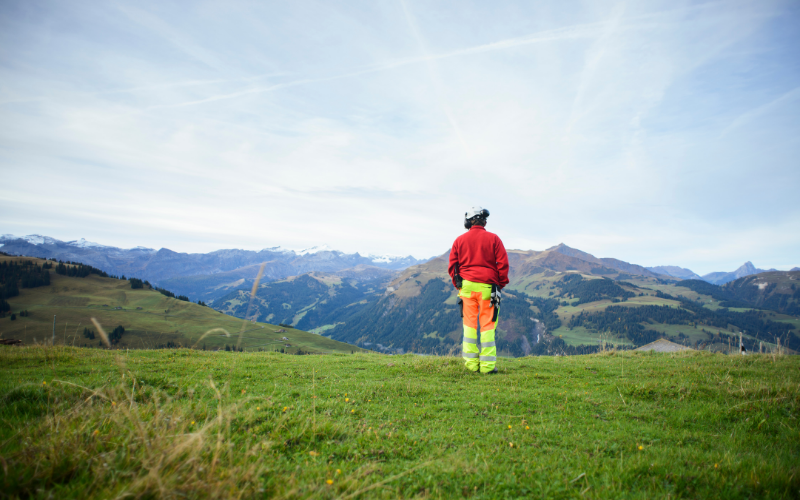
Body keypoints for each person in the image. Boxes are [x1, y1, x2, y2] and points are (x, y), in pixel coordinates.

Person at [448, 207, 509, 374]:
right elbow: (503, 265)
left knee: (469, 325)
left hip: (466, 287)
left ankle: (471, 365)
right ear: (484, 221)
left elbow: (453, 266)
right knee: (488, 326)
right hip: (488, 287)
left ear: (469, 221)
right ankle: (488, 367)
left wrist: (458, 285)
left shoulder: (459, 240)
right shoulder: (494, 239)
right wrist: (500, 284)